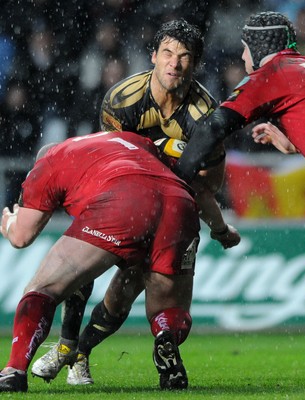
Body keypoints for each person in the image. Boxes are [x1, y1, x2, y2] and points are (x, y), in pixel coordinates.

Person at [31, 18, 241, 386]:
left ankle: (78, 350)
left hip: (172, 209)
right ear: (153, 56)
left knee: (123, 295)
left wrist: (218, 226)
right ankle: (66, 346)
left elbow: (207, 185)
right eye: (167, 54)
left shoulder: (205, 119)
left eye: (184, 56)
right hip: (121, 199)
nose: (174, 63)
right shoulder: (121, 100)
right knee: (86, 266)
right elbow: (107, 161)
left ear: (195, 64)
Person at [0, 130, 201, 393]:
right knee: (167, 308)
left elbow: (22, 236)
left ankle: (14, 371)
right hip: (180, 202)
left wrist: (10, 222)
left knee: (43, 289)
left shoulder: (49, 161)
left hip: (123, 200)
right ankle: (166, 336)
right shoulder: (126, 138)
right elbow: (173, 160)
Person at [173, 11, 305, 328]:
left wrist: (176, 184)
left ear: (257, 48)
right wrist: (296, 143)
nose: (244, 57)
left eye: (245, 49)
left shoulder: (270, 74)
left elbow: (214, 127)